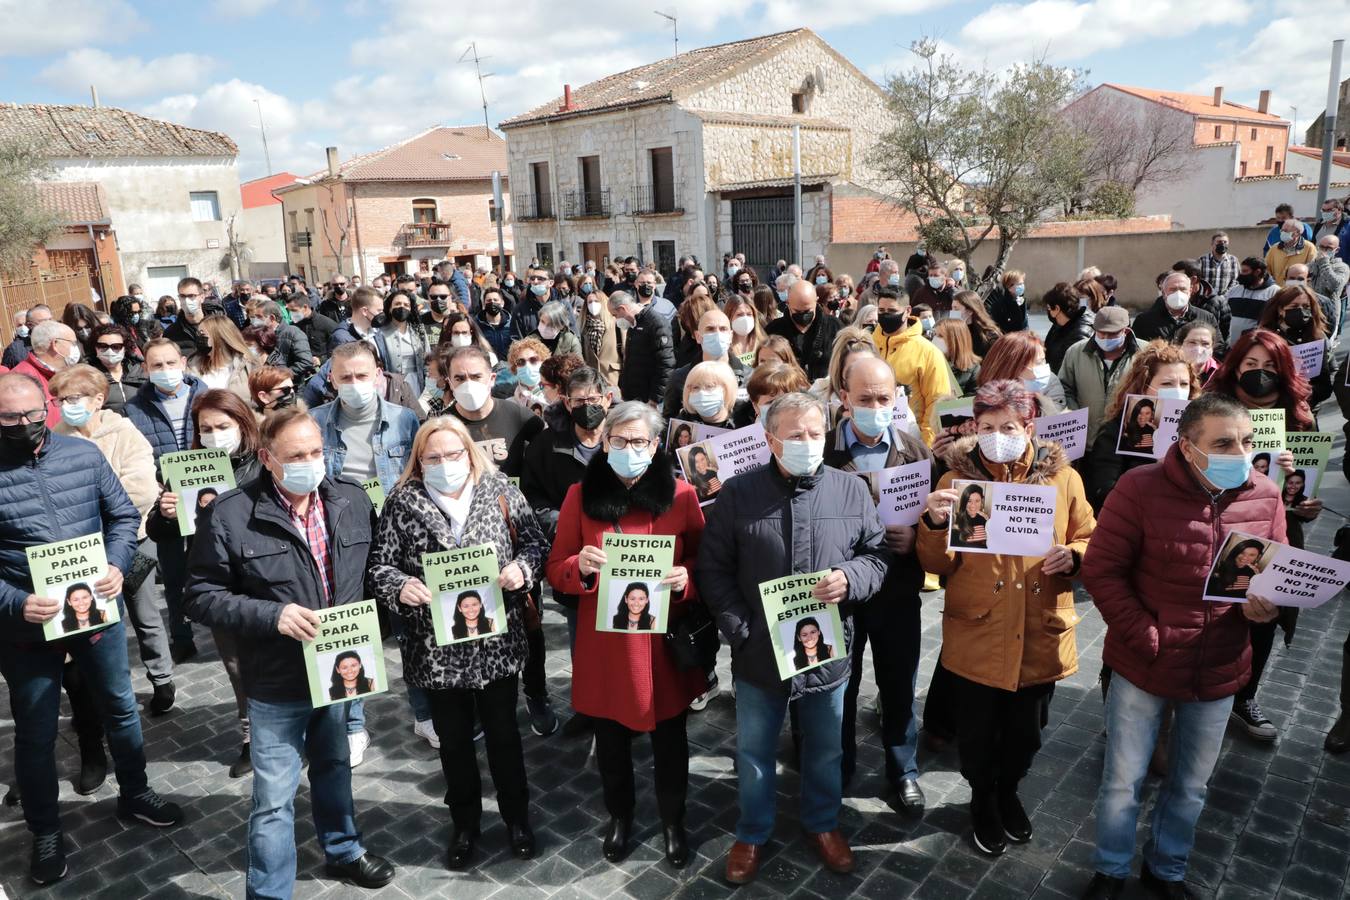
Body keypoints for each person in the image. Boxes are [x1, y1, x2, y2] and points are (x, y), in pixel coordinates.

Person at [1080, 393, 1283, 900]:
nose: (1239, 453)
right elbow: (1102, 570)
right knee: (1124, 781)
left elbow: (1271, 576)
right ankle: (1110, 869)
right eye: (1223, 443)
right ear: (1187, 446)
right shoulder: (1139, 488)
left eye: (1246, 442)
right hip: (1144, 662)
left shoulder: (1266, 494)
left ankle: (1166, 869)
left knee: (1191, 785)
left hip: (1218, 665)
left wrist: (1268, 606)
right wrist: (1148, 635)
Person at [183, 407, 394, 894]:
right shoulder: (231, 513)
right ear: (267, 458)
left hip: (341, 670)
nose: (310, 462)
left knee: (335, 767)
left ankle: (343, 850)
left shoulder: (351, 499)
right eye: (297, 455)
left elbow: (376, 569)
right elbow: (200, 595)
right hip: (277, 679)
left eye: (317, 452)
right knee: (274, 797)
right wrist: (271, 616)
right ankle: (270, 890)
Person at [0, 372, 184, 885]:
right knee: (35, 729)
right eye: (9, 417)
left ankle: (136, 793)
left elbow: (123, 516)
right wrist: (15, 601)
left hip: (95, 612)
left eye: (32, 414)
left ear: (48, 408)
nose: (23, 425)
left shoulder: (83, 456)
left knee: (121, 707)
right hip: (24, 625)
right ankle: (45, 831)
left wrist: (117, 564)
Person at [699, 392, 889, 884]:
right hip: (759, 653)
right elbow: (713, 570)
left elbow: (877, 556)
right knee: (755, 751)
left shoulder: (851, 490)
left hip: (827, 653)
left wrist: (851, 578)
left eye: (815, 434)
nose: (808, 443)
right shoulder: (738, 494)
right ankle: (753, 830)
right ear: (770, 440)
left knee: (826, 749)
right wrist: (740, 630)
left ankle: (823, 823)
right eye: (796, 435)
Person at [917, 380, 1095, 857]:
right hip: (978, 632)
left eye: (1009, 426)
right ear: (975, 426)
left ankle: (1009, 790)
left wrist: (1074, 556)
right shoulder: (955, 481)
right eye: (989, 426)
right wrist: (933, 524)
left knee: (1025, 734)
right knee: (978, 735)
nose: (999, 435)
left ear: (1029, 425)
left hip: (1040, 634)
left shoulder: (1064, 479)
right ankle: (981, 799)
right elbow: (937, 565)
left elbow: (1088, 535)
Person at [366, 415, 547, 869]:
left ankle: (516, 818)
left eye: (452, 454)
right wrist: (400, 586)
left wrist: (522, 571)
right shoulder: (401, 501)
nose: (445, 463)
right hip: (436, 652)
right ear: (419, 461)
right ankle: (464, 823)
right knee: (455, 744)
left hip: (497, 647)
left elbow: (535, 542)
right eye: (433, 457)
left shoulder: (500, 490)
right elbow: (379, 566)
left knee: (505, 737)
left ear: (469, 452)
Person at [544, 401, 706, 865]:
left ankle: (674, 819)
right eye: (620, 440)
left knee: (671, 743)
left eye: (639, 442)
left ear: (656, 447)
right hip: (606, 647)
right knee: (611, 743)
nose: (629, 449)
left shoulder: (680, 496)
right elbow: (556, 567)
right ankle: (620, 816)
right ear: (605, 442)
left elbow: (704, 560)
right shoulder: (580, 495)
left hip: (663, 646)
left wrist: (686, 580)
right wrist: (581, 568)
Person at [827, 355, 933, 810]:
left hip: (896, 590)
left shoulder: (915, 450)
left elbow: (935, 519)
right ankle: (838, 765)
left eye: (883, 398)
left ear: (897, 400)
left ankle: (902, 768)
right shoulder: (824, 452)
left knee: (898, 684)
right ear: (845, 399)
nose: (874, 405)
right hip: (840, 596)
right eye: (865, 398)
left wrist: (917, 535)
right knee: (839, 686)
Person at [1204, 328, 1320, 742]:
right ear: (1235, 366)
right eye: (1250, 365)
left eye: (1269, 367)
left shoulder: (1300, 417)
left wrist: (1305, 502)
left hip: (1277, 533)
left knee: (1264, 616)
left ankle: (1245, 696)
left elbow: (1309, 487)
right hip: (1219, 529)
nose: (1259, 374)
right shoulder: (1212, 408)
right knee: (1215, 613)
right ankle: (1198, 696)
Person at [51, 363, 172, 708]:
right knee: (94, 625)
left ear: (98, 399)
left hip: (134, 538)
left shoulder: (125, 432)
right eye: (61, 398)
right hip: (85, 549)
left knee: (145, 615)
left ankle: (161, 678)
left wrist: (94, 507)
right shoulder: (57, 439)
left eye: (74, 397)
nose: (67, 404)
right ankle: (102, 694)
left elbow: (142, 488)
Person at [125, 338, 209, 662]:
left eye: (171, 363)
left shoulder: (206, 396)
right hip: (167, 502)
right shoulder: (134, 408)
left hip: (206, 496)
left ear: (183, 363)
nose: (165, 370)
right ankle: (182, 635)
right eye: (157, 365)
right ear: (145, 369)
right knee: (173, 574)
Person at [1084, 341, 1198, 511]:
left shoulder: (1200, 429)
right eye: (1167, 384)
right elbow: (1104, 492)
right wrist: (1156, 470)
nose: (1178, 391)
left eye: (1184, 384)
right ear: (1144, 387)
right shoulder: (1116, 431)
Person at [870, 288, 950, 444]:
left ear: (907, 311)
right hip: (872, 438)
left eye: (892, 310)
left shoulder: (928, 352)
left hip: (911, 440)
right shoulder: (867, 346)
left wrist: (927, 448)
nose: (886, 315)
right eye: (881, 310)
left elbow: (936, 402)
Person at [1059, 306, 1139, 449]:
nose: (1106, 339)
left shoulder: (1144, 354)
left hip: (1126, 443)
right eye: (1101, 333)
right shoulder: (1076, 352)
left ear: (1126, 331)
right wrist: (1076, 416)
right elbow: (1064, 388)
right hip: (1087, 441)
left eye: (1112, 334)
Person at [663, 308, 749, 418]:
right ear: (698, 337)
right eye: (710, 329)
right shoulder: (680, 378)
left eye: (723, 329)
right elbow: (668, 422)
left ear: (731, 336)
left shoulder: (750, 377)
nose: (717, 334)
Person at [1256, 285, 1332, 407]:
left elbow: (1325, 382)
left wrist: (1309, 393)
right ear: (1281, 310)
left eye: (1306, 307)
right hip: (1273, 408)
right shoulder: (1264, 338)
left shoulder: (1317, 337)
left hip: (1306, 408)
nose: (1301, 311)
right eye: (1294, 306)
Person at [765, 279, 841, 381]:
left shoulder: (834, 326)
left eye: (807, 311)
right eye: (797, 311)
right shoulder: (773, 330)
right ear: (788, 303)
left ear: (816, 301)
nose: (803, 315)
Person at [610, 290, 674, 406]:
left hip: (650, 399)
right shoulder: (633, 324)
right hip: (634, 397)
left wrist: (655, 399)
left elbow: (666, 364)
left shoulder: (656, 323)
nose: (615, 319)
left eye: (615, 315)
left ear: (622, 309)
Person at [13, 320, 81, 426]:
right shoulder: (21, 381)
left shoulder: (68, 372)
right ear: (55, 344)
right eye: (73, 343)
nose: (76, 348)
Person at [980, 331, 1065, 411]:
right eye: (1039, 362)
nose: (1043, 367)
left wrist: (1038, 401)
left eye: (1043, 360)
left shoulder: (1050, 380)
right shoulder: (991, 391)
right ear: (1014, 366)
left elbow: (1057, 411)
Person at [1132, 272, 1220, 344]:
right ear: (1163, 293)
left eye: (1183, 289)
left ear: (1190, 291)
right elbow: (1136, 350)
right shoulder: (1144, 321)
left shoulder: (1207, 318)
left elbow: (1218, 347)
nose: (1178, 293)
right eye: (1173, 289)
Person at [190, 316, 259, 401]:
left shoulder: (249, 366)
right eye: (198, 334)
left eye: (202, 334)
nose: (198, 338)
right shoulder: (192, 365)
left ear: (220, 337)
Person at [87, 324, 147, 416]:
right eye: (103, 346)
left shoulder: (140, 370)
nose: (109, 351)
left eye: (116, 347)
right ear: (95, 348)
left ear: (125, 348)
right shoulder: (89, 377)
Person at [248, 298, 314, 382]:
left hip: (290, 387)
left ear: (272, 318)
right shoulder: (258, 333)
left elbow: (306, 362)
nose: (255, 320)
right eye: (255, 317)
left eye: (259, 317)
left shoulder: (293, 333)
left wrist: (280, 376)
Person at [576, 279, 621, 387]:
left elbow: (626, 351)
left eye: (596, 301)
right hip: (592, 382)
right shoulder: (582, 327)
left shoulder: (616, 324)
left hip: (614, 378)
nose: (593, 305)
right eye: (590, 302)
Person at [1225, 256, 1280, 343]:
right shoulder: (1234, 290)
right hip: (1231, 347)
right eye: (1241, 271)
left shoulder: (1275, 292)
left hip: (1255, 346)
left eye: (1245, 271)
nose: (1241, 274)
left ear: (1257, 272)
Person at [284, 292, 339, 364]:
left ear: (305, 307)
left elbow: (339, 350)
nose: (291, 314)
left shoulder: (327, 324)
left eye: (294, 310)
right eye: (289, 311)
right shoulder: (293, 326)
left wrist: (321, 360)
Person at [1266, 216, 1318, 285]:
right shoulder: (1274, 248)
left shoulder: (1309, 248)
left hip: (1298, 291)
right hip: (1278, 291)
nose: (1282, 233)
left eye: (1286, 231)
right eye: (1282, 230)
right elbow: (1267, 269)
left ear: (1297, 233)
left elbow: (1312, 272)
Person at [3, 303, 52, 368]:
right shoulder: (15, 350)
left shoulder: (60, 339)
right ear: (30, 325)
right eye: (44, 321)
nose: (50, 324)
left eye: (50, 320)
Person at [506, 337, 550, 411]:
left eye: (533, 360)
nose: (527, 366)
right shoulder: (508, 405)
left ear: (543, 362)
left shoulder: (555, 398)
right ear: (515, 368)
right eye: (521, 362)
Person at [1178, 321, 1220, 385]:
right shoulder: (1167, 370)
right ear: (1180, 345)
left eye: (1205, 344)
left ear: (1212, 347)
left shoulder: (1221, 374)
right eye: (1192, 342)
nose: (1198, 349)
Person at [1197, 231, 1239, 296]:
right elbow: (1198, 279)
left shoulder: (1233, 260)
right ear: (1212, 243)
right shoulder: (1202, 260)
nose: (1222, 244)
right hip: (1205, 299)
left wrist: (1224, 296)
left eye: (1225, 242)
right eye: (1219, 242)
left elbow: (1235, 281)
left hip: (1225, 299)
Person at [949, 483, 990, 548]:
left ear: (981, 501)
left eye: (977, 501)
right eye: (969, 501)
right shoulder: (956, 518)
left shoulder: (984, 519)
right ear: (964, 502)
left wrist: (989, 523)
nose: (973, 505)